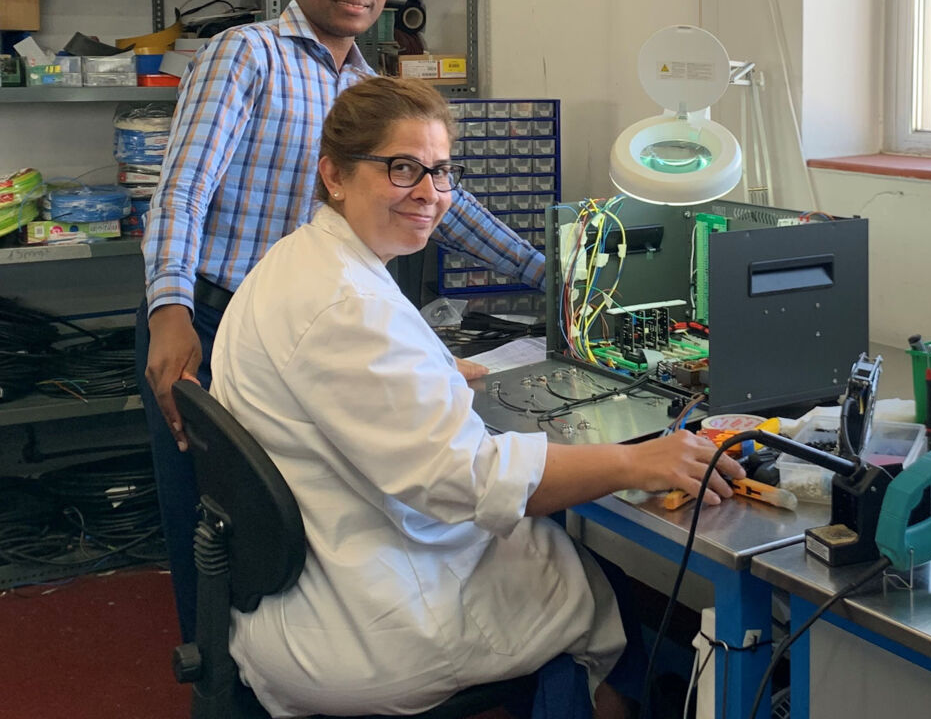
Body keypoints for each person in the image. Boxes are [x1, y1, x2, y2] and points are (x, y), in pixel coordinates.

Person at [210, 74, 743, 717]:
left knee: (571, 563)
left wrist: (428, 368)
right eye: (402, 169)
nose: (430, 194)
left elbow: (345, 382)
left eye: (440, 171)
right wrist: (637, 460)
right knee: (598, 587)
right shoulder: (347, 304)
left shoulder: (304, 262)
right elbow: (466, 481)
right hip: (371, 621)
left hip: (308, 578)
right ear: (335, 175)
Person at [138, 0, 545, 642]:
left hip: (308, 326)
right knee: (212, 513)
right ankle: (215, 665)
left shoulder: (368, 89)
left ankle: (291, 653)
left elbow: (447, 204)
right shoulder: (245, 53)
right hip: (209, 312)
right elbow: (183, 189)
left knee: (300, 512)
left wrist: (544, 273)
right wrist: (169, 312)